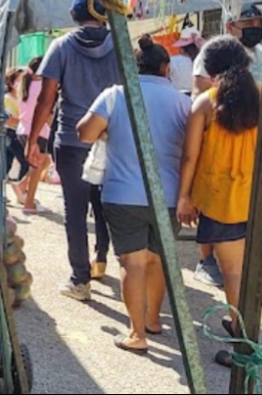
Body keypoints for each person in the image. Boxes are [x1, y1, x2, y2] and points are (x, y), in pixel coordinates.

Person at [177, 35, 262, 366]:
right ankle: (241, 328)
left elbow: (190, 156)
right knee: (252, 273)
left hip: (222, 202)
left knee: (233, 274)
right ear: (247, 63)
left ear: (211, 70)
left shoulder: (205, 103)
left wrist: (184, 197)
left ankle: (242, 344)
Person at [77, 36, 190, 354]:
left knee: (132, 262)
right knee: (158, 260)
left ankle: (137, 334)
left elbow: (84, 133)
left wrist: (109, 129)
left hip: (122, 194)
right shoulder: (183, 103)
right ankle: (154, 319)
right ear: (166, 68)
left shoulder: (115, 95)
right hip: (168, 196)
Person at [27, 0, 121, 302]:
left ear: (73, 15)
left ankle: (80, 280)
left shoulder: (62, 46)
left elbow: (45, 99)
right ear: (104, 14)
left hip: (70, 139)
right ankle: (101, 258)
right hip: (111, 139)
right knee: (106, 205)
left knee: (75, 209)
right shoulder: (120, 45)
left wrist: (33, 139)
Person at [190, 6, 262, 287]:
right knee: (213, 200)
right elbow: (201, 88)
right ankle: (206, 259)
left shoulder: (261, 53)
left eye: (258, 21)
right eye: (248, 21)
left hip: (249, 136)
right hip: (219, 127)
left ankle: (257, 261)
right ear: (231, 24)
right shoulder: (213, 52)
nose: (255, 25)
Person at [17, 56, 51, 214]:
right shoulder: (44, 86)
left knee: (43, 162)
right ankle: (29, 202)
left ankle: (22, 185)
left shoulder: (23, 83)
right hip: (38, 131)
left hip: (22, 129)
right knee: (38, 166)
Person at [3, 69, 30, 203]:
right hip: (11, 133)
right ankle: (20, 192)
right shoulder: (8, 98)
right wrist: (25, 119)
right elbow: (9, 120)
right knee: (25, 161)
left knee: (6, 165)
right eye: (18, 80)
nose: (21, 83)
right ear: (11, 82)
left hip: (18, 132)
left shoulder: (21, 97)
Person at [170, 27, 203, 92]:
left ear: (182, 49)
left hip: (178, 96)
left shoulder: (173, 61)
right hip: (199, 95)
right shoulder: (203, 60)